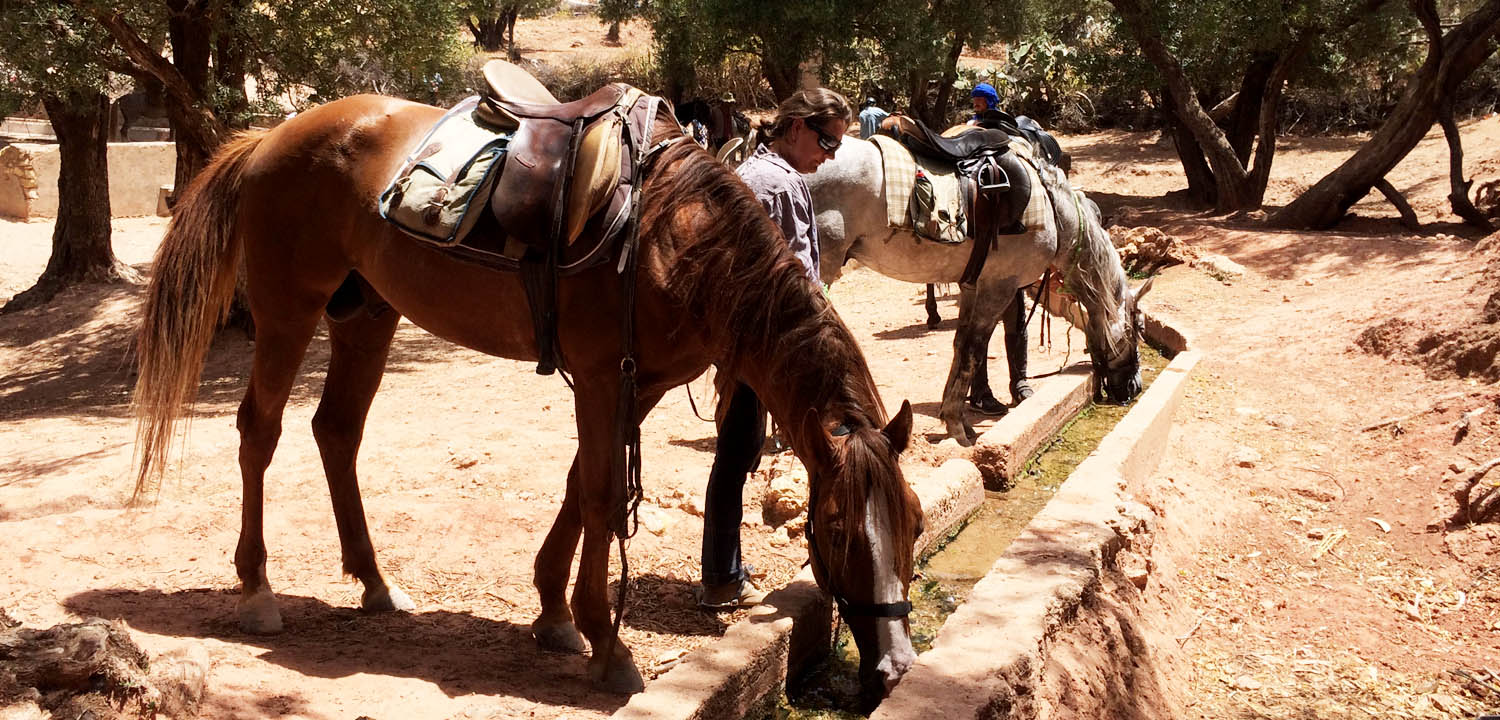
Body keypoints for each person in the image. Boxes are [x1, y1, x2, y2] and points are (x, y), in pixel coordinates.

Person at [698, 88, 853, 610]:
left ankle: (726, 570)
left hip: (770, 344)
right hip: (765, 347)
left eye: (836, 146)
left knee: (742, 451)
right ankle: (720, 577)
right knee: (739, 452)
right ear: (794, 129)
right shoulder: (772, 184)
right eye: (825, 141)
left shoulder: (779, 177)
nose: (829, 155)